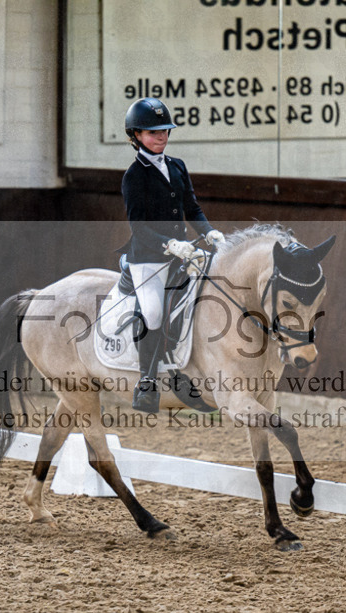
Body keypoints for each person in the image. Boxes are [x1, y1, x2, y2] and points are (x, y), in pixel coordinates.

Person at [121, 97, 225, 413]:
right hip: (149, 257)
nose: (161, 136)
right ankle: (147, 382)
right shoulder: (133, 176)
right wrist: (170, 244)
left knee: (203, 301)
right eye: (153, 132)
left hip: (184, 254)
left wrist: (207, 231)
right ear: (136, 135)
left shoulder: (177, 166)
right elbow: (139, 227)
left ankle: (189, 373)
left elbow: (192, 207)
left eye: (165, 130)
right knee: (153, 313)